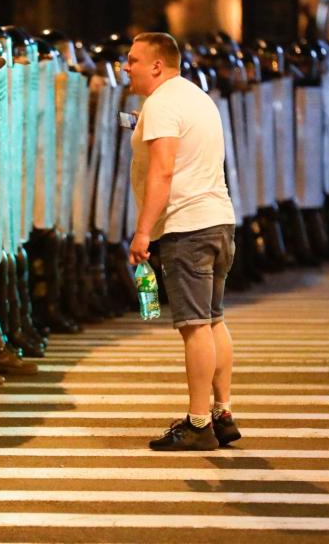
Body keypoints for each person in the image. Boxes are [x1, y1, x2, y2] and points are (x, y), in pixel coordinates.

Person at [123, 32, 240, 452]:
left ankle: (198, 422)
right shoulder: (196, 96)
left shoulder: (161, 104)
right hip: (220, 221)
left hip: (186, 228)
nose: (125, 67)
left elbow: (163, 171)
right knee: (213, 320)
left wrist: (142, 231)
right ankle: (222, 412)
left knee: (194, 329)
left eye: (133, 60)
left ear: (157, 65)